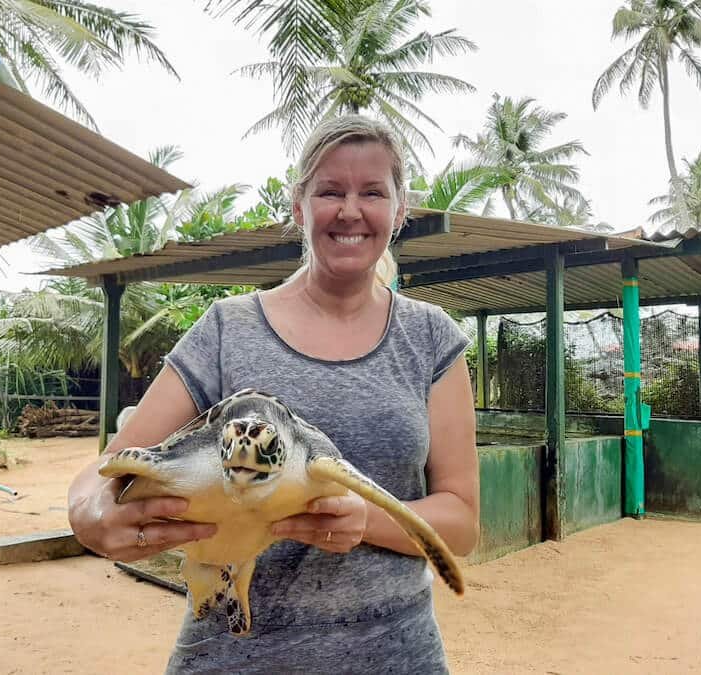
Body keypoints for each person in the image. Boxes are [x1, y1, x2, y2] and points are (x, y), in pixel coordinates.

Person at [68, 115, 480, 674]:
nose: (350, 210)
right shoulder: (225, 328)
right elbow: (105, 473)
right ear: (299, 206)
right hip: (234, 658)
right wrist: (91, 513)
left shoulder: (431, 337)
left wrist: (364, 518)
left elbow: (460, 522)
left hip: (394, 657)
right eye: (330, 191)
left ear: (399, 210)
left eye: (373, 193)